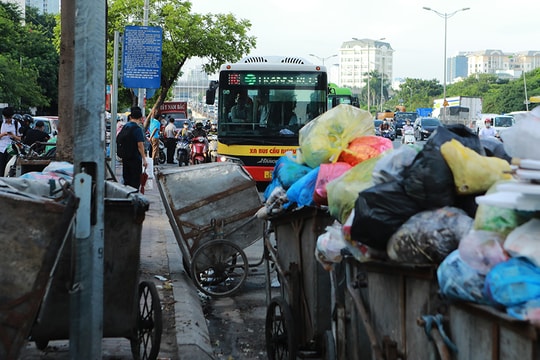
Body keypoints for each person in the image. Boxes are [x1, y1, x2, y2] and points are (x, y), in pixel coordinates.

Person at [120, 106, 148, 190]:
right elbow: (140, 145)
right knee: (135, 181)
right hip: (135, 158)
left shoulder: (125, 127)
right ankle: (133, 199)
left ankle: (126, 197)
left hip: (125, 157)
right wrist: (144, 159)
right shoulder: (137, 129)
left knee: (126, 179)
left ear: (131, 117)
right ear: (140, 118)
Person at [0, 107, 21, 176]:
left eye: (9, 118)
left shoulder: (16, 124)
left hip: (12, 148)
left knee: (10, 167)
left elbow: (20, 139)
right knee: (1, 167)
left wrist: (13, 136)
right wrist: (2, 134)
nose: (8, 119)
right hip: (1, 148)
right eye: (6, 118)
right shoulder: (1, 124)